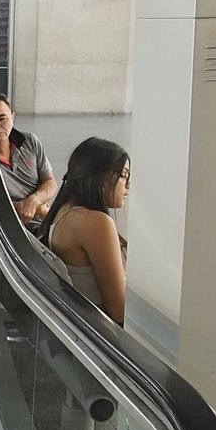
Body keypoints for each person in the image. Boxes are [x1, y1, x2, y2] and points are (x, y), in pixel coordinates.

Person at [39, 137, 129, 324]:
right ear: (102, 177)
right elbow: (120, 311)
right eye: (124, 175)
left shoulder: (64, 210)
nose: (128, 186)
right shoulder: (95, 223)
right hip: (101, 334)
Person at [0, 90, 55, 224]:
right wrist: (20, 207)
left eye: (2, 118)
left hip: (42, 219)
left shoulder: (30, 141)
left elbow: (50, 182)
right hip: (8, 228)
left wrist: (35, 200)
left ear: (13, 118)